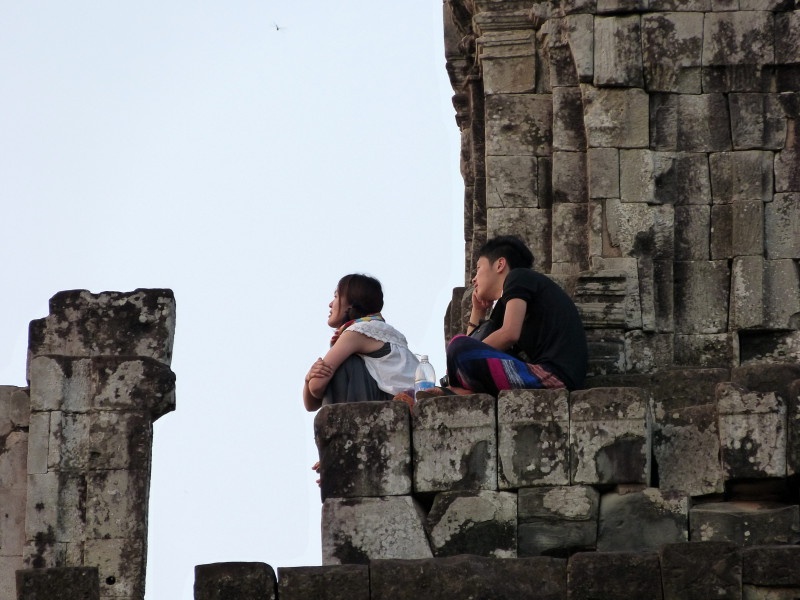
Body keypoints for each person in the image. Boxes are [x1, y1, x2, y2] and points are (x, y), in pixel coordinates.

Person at [441, 235, 588, 396]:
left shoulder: (518, 277)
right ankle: (459, 389)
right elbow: (476, 343)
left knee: (458, 345)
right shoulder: (506, 305)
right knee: (460, 348)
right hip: (540, 374)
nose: (474, 279)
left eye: (478, 268)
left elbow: (509, 334)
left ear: (500, 264)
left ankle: (456, 389)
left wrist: (461, 356)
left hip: (554, 376)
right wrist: (477, 312)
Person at [303, 273, 419, 411]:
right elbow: (311, 405)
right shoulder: (380, 330)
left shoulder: (358, 331)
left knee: (345, 364)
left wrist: (312, 379)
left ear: (350, 303)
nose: (330, 304)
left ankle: (343, 428)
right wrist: (307, 378)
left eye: (336, 296)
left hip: (392, 408)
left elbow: (316, 387)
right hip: (400, 406)